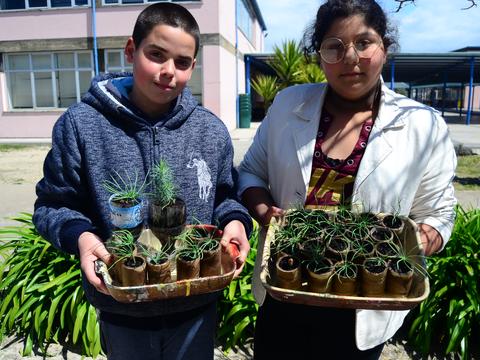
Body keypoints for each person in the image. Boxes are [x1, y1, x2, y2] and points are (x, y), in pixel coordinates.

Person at [238, 0, 456, 359]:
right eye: (334, 46)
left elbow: (439, 212)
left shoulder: (423, 124)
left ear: (384, 47)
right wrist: (265, 212)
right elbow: (251, 172)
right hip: (286, 286)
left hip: (364, 300)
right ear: (319, 54)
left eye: (364, 42)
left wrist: (416, 241)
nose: (350, 57)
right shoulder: (288, 105)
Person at [33, 3, 252, 359]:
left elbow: (227, 195)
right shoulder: (81, 125)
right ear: (132, 50)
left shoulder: (210, 131)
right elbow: (53, 205)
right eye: (156, 55)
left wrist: (235, 221)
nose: (169, 71)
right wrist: (82, 238)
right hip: (123, 307)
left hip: (194, 302)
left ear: (193, 67)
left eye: (182, 63)